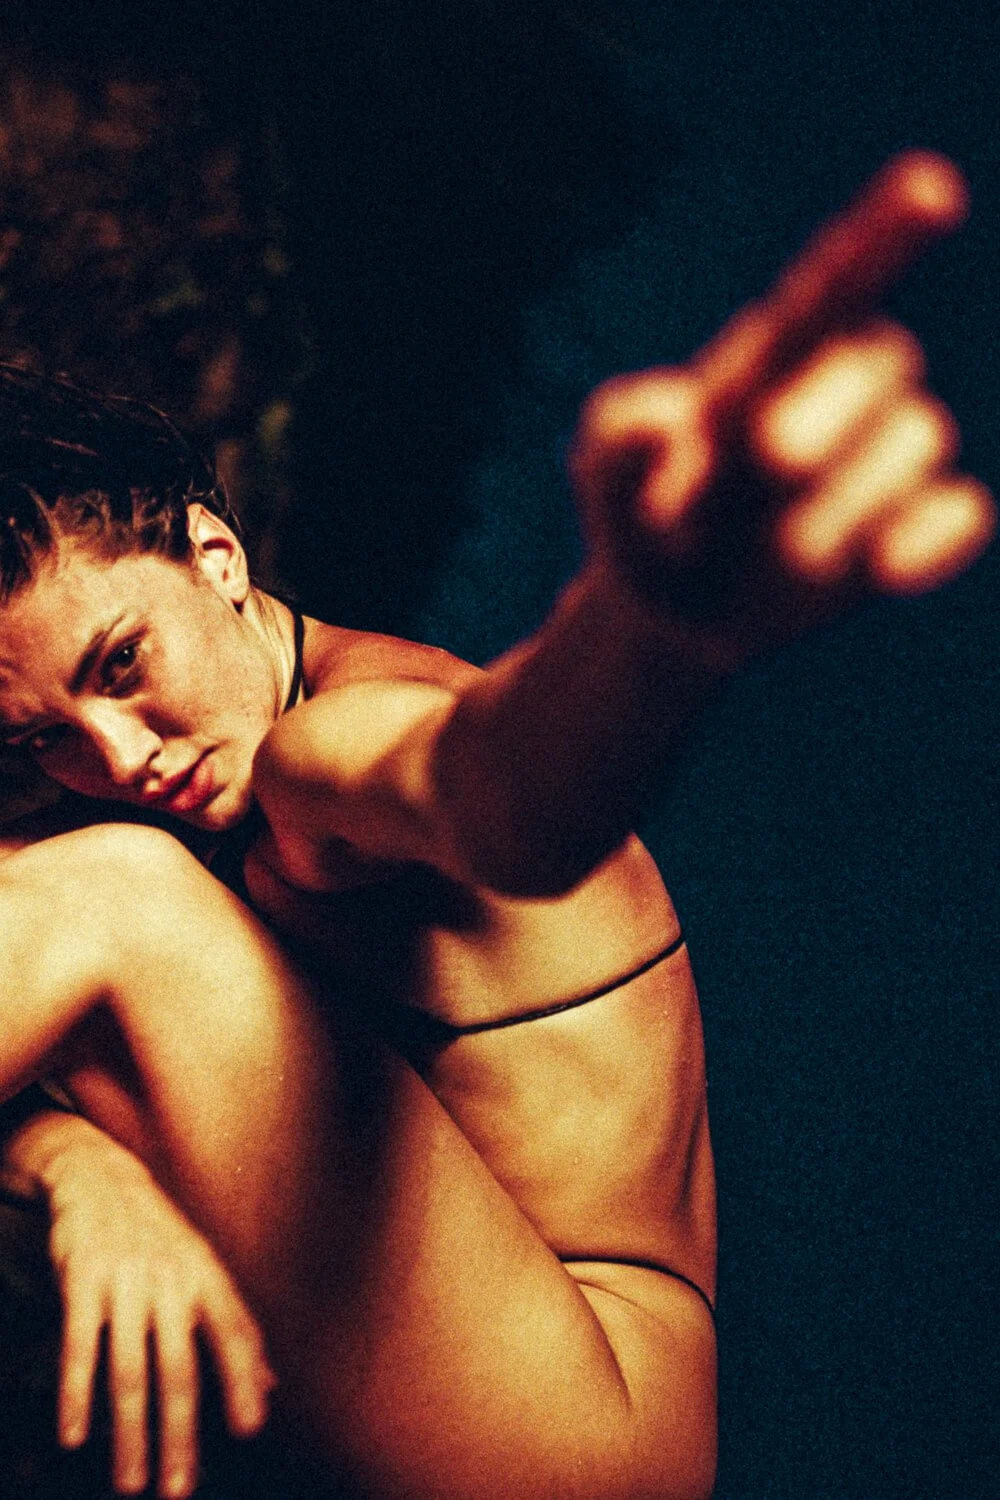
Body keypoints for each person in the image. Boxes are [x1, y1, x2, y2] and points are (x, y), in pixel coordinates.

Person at [0, 149, 992, 1500]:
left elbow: (499, 797)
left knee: (117, 893)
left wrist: (650, 634)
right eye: (42, 735)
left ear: (217, 559)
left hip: (583, 1433)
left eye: (122, 664)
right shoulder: (169, 769)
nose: (116, 756)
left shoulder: (331, 741)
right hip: (446, 1380)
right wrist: (75, 1168)